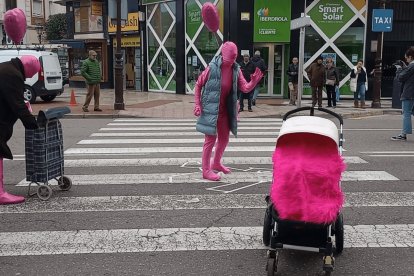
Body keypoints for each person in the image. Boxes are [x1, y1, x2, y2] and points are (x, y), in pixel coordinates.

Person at [193, 42, 263, 181]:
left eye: (234, 58)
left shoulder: (235, 69)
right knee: (210, 140)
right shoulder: (212, 68)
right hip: (211, 109)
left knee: (224, 139)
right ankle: (206, 170)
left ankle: (217, 163)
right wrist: (197, 104)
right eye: (229, 57)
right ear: (224, 55)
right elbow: (198, 84)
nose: (231, 61)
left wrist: (254, 82)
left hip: (225, 110)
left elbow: (245, 88)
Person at [0, 56, 39, 204]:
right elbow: (16, 103)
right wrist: (31, 123)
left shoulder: (7, 67)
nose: (31, 76)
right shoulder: (12, 74)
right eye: (32, 73)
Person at [391, 47, 414, 141]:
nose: (406, 60)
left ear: (410, 57)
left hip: (409, 92)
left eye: (406, 58)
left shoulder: (412, 65)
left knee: (406, 113)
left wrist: (399, 68)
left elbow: (401, 77)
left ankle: (403, 134)